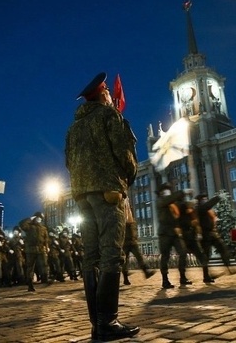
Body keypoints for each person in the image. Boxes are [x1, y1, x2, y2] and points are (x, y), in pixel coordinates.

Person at [65, 72, 140, 341]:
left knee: (91, 257)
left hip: (83, 196)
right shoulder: (109, 116)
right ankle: (107, 323)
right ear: (103, 95)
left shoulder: (73, 128)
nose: (110, 93)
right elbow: (125, 153)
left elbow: (68, 163)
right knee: (111, 256)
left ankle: (96, 325)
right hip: (109, 192)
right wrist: (127, 177)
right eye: (108, 90)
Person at [155, 183, 192, 288]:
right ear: (161, 193)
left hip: (175, 233)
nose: (167, 192)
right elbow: (170, 199)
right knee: (165, 257)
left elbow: (181, 209)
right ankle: (165, 280)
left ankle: (183, 277)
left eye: (168, 190)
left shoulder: (173, 203)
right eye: (165, 191)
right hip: (165, 233)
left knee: (183, 252)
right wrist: (183, 192)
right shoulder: (160, 201)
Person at [196, 193, 233, 283]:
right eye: (203, 199)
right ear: (200, 201)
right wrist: (218, 197)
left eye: (206, 199)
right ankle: (206, 276)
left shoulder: (208, 209)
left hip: (212, 233)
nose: (205, 200)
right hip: (204, 234)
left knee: (222, 247)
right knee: (206, 256)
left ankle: (228, 267)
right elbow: (207, 206)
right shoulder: (200, 208)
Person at [121, 197, 155, 285]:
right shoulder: (124, 216)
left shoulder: (131, 217)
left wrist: (135, 237)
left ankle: (146, 272)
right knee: (126, 260)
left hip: (132, 241)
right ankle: (125, 278)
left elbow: (133, 228)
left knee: (139, 257)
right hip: (125, 242)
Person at [18, 211, 51, 292]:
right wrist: (30, 218)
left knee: (44, 264)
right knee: (30, 267)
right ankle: (30, 283)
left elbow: (46, 239)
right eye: (38, 218)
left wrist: (47, 247)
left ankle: (45, 278)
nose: (39, 219)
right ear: (35, 218)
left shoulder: (43, 228)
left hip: (40, 249)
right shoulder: (29, 226)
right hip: (30, 249)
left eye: (40, 218)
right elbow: (21, 224)